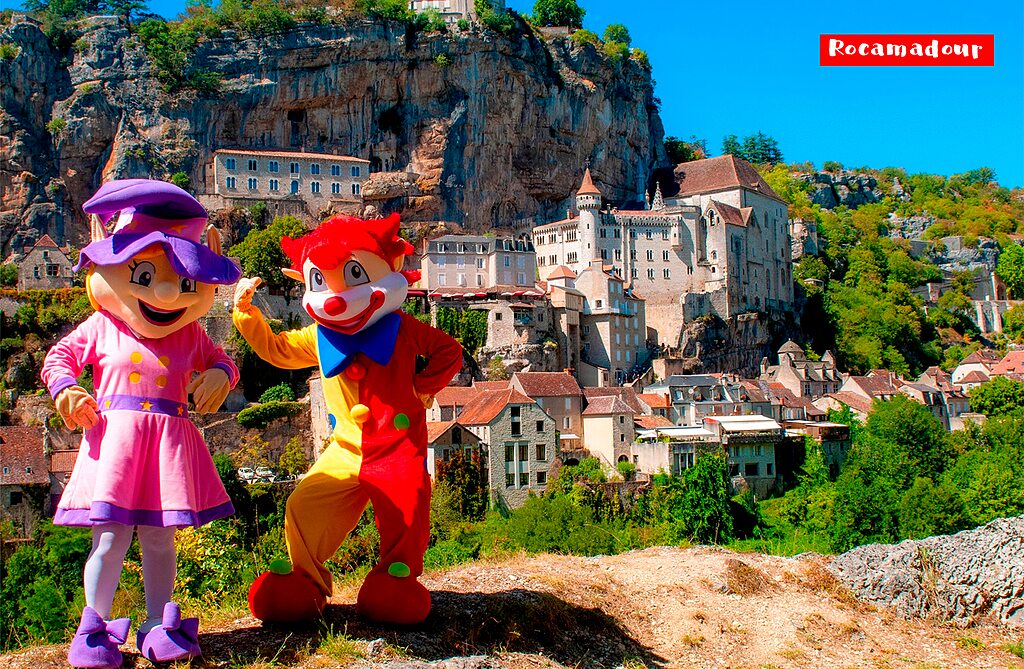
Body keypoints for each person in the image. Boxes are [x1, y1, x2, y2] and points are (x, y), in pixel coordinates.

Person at [41, 179, 241, 668]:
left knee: (158, 537)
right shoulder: (103, 325)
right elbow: (59, 356)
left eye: (184, 280)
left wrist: (220, 373)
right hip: (116, 445)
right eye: (147, 274)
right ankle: (95, 626)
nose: (168, 292)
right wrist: (66, 389)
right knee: (110, 537)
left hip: (167, 444)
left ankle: (156, 623)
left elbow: (224, 358)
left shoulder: (190, 332)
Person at [234, 213, 463, 625]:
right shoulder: (321, 337)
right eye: (321, 281)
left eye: (354, 274)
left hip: (398, 449)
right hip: (345, 449)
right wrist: (246, 314)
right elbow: (278, 350)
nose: (337, 298)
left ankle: (394, 579)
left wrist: (422, 388)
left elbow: (449, 352)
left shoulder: (404, 329)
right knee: (302, 506)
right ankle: (306, 580)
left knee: (408, 511)